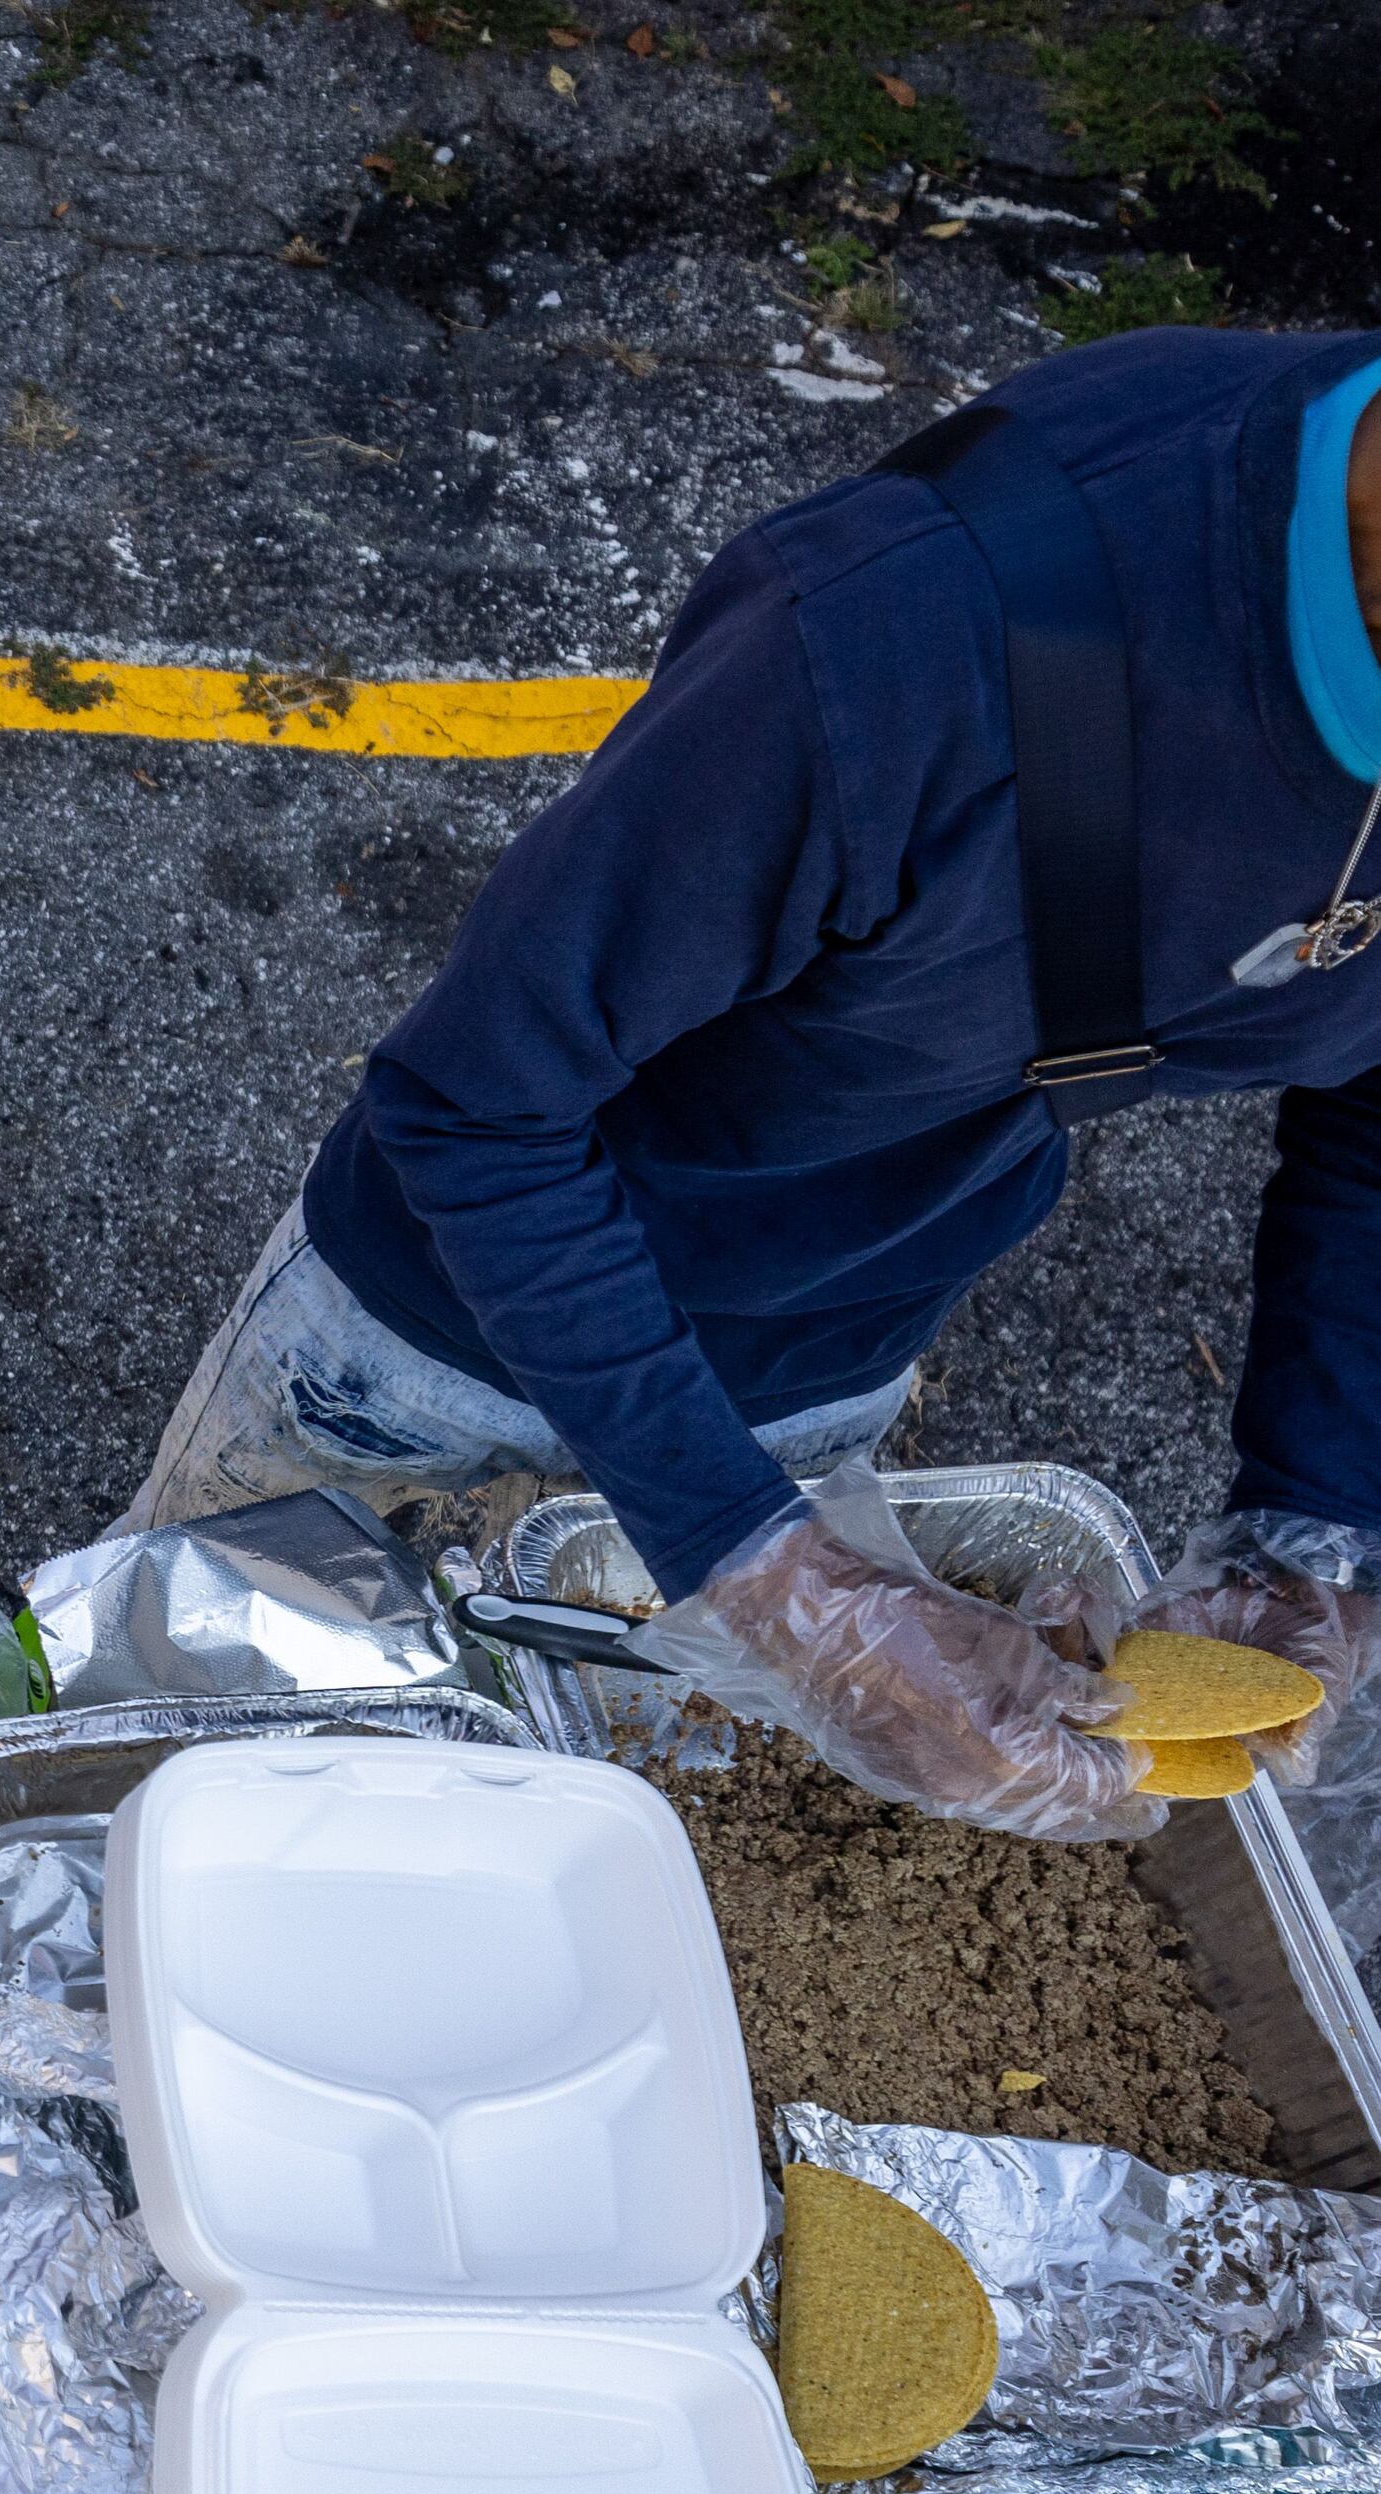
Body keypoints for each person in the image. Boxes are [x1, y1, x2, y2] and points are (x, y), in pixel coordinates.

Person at [124, 325, 1381, 1844]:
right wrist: (770, 1575)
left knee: (563, 1838)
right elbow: (474, 1103)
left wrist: (1309, 1515)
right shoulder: (911, 633)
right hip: (426, 1358)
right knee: (180, 1786)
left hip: (828, 1359)